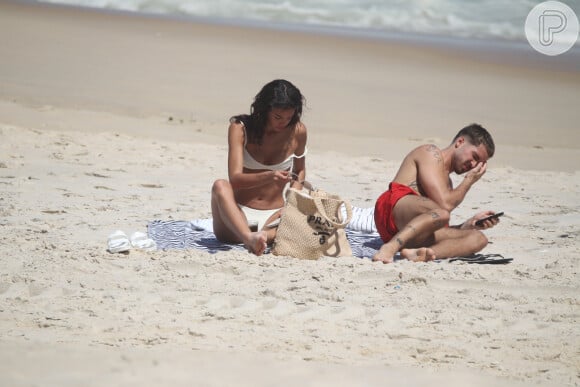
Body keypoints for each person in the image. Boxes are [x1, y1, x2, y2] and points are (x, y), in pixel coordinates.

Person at [373, 123, 500, 263]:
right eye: (474, 156)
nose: (473, 165)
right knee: (442, 213)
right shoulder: (430, 152)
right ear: (460, 142)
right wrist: (468, 181)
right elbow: (444, 206)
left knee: (478, 238)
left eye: (479, 163)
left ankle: (420, 255)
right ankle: (390, 248)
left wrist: (468, 225)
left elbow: (433, 223)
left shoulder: (448, 184)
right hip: (391, 212)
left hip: (409, 235)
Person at [211, 79, 307, 256]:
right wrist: (269, 176)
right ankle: (249, 238)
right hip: (238, 218)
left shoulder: (298, 130)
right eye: (277, 117)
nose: (283, 123)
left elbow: (300, 171)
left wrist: (291, 203)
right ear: (264, 109)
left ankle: (262, 237)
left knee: (308, 214)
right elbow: (236, 179)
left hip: (275, 217)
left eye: (289, 117)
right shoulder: (240, 128)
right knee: (220, 185)